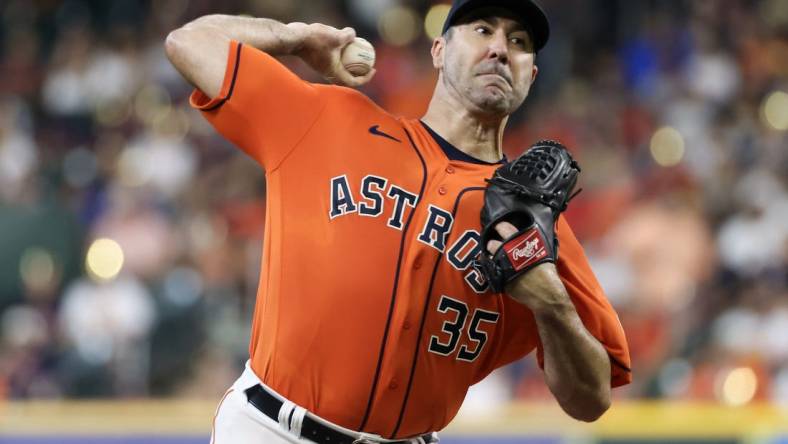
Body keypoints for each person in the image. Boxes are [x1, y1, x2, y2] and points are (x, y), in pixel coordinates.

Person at [165, 0, 631, 443]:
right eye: (483, 30)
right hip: (271, 428)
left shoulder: (533, 227)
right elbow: (189, 43)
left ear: (531, 73)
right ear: (439, 50)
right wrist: (294, 37)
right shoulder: (328, 119)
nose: (499, 48)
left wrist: (553, 306)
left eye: (519, 41)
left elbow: (590, 399)